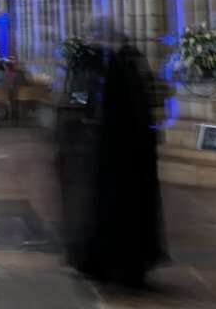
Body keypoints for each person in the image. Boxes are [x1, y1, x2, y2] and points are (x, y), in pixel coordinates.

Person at [55, 19, 163, 289]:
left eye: (94, 36)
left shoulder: (114, 64)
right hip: (126, 152)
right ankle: (119, 263)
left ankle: (115, 264)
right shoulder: (129, 63)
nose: (91, 41)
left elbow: (92, 104)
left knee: (115, 208)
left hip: (115, 152)